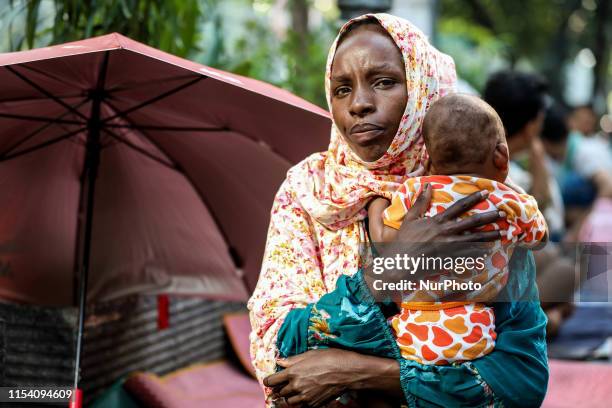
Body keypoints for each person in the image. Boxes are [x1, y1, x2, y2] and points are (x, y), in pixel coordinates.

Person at [249, 14, 548, 408]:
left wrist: (356, 371)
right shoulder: (307, 192)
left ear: (423, 88)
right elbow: (276, 354)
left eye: (384, 82)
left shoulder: (479, 198)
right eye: (341, 89)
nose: (358, 104)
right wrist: (389, 273)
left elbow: (523, 378)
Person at [367, 94, 547, 365]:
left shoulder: (415, 191)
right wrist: (517, 192)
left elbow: (386, 238)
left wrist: (375, 202)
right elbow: (539, 238)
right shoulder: (508, 202)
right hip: (475, 332)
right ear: (502, 157)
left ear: (429, 161)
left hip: (412, 330)